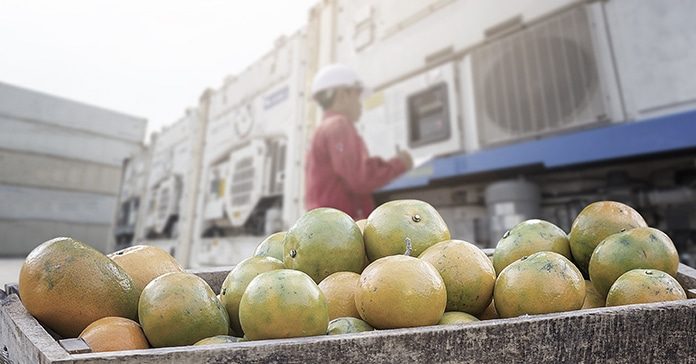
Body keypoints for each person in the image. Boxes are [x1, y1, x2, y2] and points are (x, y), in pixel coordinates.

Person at [305, 64, 413, 220]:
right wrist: (400, 163)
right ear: (342, 95)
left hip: (326, 224)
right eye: (357, 97)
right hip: (342, 226)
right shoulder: (339, 125)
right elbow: (359, 178)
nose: (360, 105)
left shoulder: (322, 129)